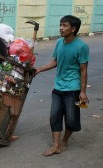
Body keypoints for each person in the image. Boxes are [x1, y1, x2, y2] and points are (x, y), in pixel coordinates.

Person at [35, 15, 89, 156]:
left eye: (65, 25)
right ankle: (56, 145)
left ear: (73, 29)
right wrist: (39, 69)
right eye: (60, 25)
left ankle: (65, 140)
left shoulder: (82, 46)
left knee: (71, 119)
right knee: (54, 116)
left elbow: (83, 70)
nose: (61, 28)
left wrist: (83, 92)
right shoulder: (59, 42)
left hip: (73, 89)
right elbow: (55, 61)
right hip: (58, 87)